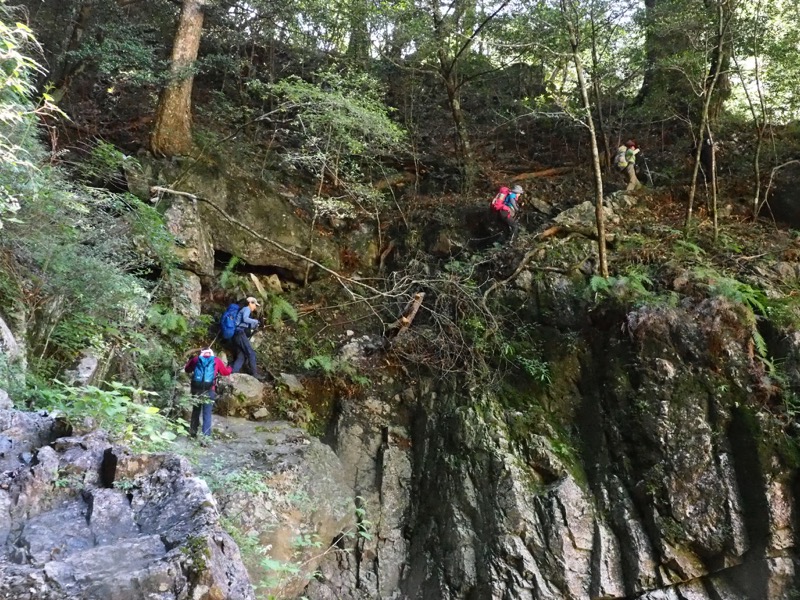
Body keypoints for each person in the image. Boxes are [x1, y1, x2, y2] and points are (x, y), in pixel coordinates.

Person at [184, 347, 232, 438]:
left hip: (196, 389)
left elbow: (187, 369)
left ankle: (192, 433)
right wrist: (230, 368)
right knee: (207, 413)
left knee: (196, 411)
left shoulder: (196, 359)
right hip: (209, 389)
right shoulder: (216, 360)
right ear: (211, 353)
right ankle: (205, 438)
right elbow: (225, 372)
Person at [231, 296, 262, 378]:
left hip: (236, 334)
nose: (255, 307)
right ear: (250, 303)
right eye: (255, 304)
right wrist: (255, 321)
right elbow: (245, 319)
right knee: (251, 353)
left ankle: (234, 372)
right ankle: (255, 374)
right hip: (239, 333)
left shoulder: (243, 310)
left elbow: (245, 322)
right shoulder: (246, 309)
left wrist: (254, 325)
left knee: (241, 355)